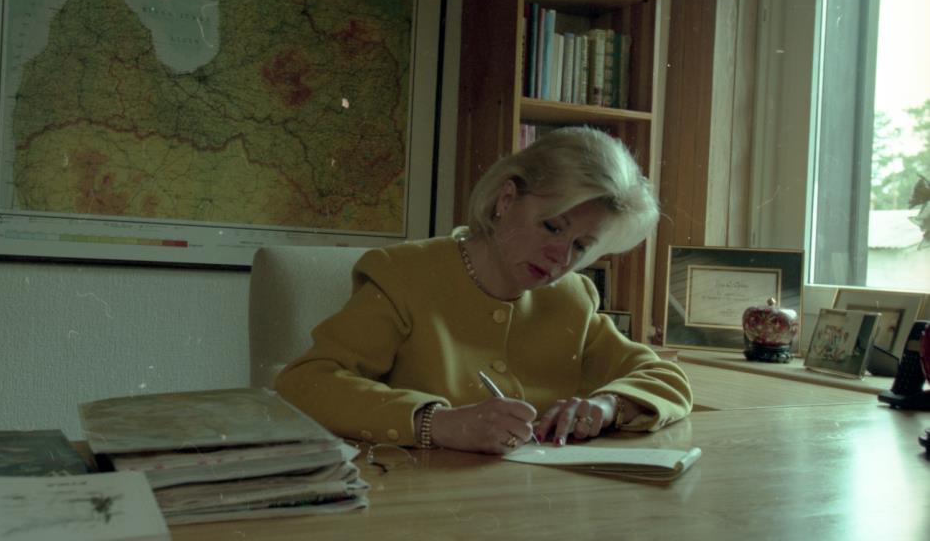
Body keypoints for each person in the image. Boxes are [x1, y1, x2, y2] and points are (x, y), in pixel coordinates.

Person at [275, 127, 692, 454]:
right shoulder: (403, 274)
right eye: (552, 226)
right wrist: (437, 423)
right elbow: (305, 383)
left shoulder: (571, 298)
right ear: (506, 199)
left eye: (581, 246)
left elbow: (665, 378)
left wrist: (608, 406)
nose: (560, 257)